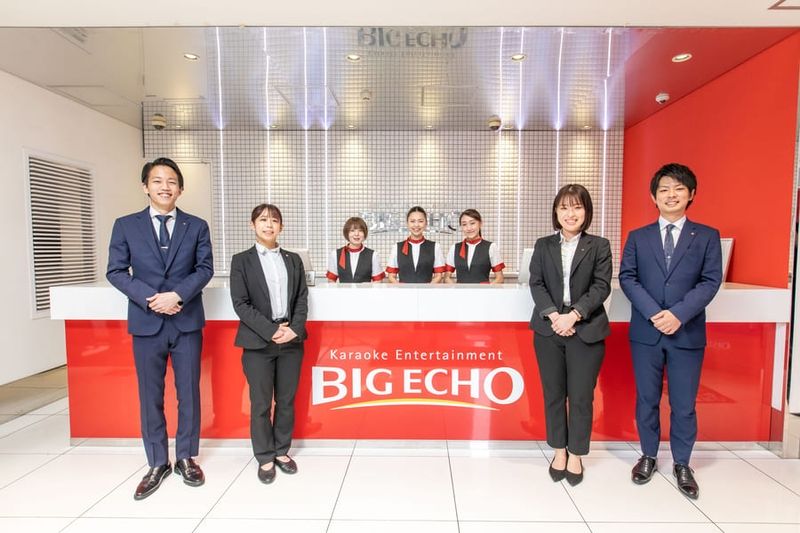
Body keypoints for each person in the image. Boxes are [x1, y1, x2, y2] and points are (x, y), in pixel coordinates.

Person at [106, 157, 214, 500]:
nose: (165, 187)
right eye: (157, 181)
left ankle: (186, 457)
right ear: (145, 186)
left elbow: (205, 268)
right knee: (149, 396)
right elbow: (116, 271)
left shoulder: (196, 226)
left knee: (189, 393)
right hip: (146, 321)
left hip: (186, 321)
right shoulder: (126, 225)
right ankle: (157, 462)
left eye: (171, 182)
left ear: (181, 188)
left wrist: (177, 295)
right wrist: (151, 299)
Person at [619, 163, 722, 500]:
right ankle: (648, 456)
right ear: (654, 197)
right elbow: (628, 278)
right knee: (647, 399)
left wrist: (678, 314)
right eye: (664, 189)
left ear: (691, 194)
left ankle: (682, 463)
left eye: (678, 189)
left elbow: (710, 281)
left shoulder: (706, 236)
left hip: (686, 332)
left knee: (684, 403)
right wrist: (654, 314)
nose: (671, 195)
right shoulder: (638, 237)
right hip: (646, 333)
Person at [528, 184, 611, 486]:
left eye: (577, 207)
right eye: (564, 207)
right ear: (556, 212)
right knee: (553, 394)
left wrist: (574, 315)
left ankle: (576, 453)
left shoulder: (599, 245)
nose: (570, 213)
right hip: (549, 328)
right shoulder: (543, 245)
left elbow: (601, 286)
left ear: (586, 211)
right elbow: (536, 283)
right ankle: (558, 451)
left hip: (585, 328)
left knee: (580, 396)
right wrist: (554, 316)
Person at [229, 204, 309, 484]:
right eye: (263, 220)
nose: (269, 225)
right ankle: (264, 455)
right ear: (252, 225)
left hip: (291, 340)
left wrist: (294, 330)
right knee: (261, 403)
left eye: (274, 220)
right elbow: (240, 304)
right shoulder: (241, 260)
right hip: (258, 341)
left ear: (281, 227)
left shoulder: (293, 260)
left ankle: (281, 450)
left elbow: (301, 298)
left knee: (286, 400)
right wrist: (272, 330)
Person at [386, 206, 446, 283]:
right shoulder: (397, 247)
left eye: (420, 221)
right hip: (403, 290)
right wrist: (401, 288)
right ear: (407, 223)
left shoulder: (435, 247)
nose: (416, 225)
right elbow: (391, 276)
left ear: (426, 223)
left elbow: (438, 276)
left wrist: (428, 288)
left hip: (427, 290)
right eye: (412, 221)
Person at [443, 208, 505, 284]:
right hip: (460, 291)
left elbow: (500, 278)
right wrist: (456, 288)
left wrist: (488, 288)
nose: (469, 228)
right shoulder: (454, 248)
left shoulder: (491, 247)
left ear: (480, 224)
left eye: (472, 223)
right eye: (464, 224)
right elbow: (446, 277)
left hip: (483, 291)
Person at [325, 216, 385, 283]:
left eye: (360, 231)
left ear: (364, 233)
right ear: (347, 233)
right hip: (343, 290)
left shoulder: (373, 255)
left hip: (366, 290)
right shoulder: (335, 254)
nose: (356, 234)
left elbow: (378, 281)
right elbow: (331, 281)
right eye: (352, 231)